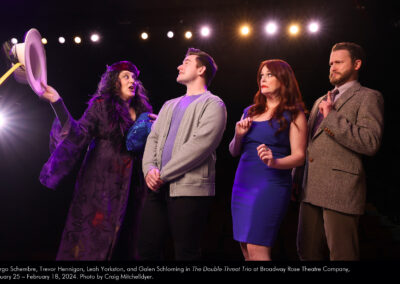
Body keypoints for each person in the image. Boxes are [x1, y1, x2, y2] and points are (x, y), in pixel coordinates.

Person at [38, 61, 155, 260]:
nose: (132, 80)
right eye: (126, 76)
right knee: (91, 244)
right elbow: (78, 134)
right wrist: (58, 103)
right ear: (114, 81)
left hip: (132, 189)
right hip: (100, 187)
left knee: (127, 243)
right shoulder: (101, 106)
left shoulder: (145, 113)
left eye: (134, 77)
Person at [296, 42, 384, 260]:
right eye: (330, 63)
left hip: (341, 192)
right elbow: (309, 145)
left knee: (342, 257)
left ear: (357, 64)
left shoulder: (368, 96)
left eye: (338, 62)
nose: (332, 68)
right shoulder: (320, 100)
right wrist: (297, 178)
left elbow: (370, 142)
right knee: (306, 253)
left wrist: (332, 118)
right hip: (310, 190)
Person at [138, 48, 227, 260]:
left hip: (190, 192)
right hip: (158, 188)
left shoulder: (214, 104)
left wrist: (163, 174)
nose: (179, 66)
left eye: (186, 62)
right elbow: (153, 138)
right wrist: (149, 169)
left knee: (185, 252)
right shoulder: (169, 105)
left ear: (201, 69)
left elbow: (200, 146)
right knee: (147, 249)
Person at [229, 59, 307, 261]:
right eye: (261, 75)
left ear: (283, 79)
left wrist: (275, 162)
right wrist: (239, 135)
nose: (263, 79)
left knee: (258, 249)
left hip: (271, 184)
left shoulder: (294, 113)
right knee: (246, 249)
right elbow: (233, 151)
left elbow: (299, 156)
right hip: (242, 184)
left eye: (269, 75)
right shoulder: (250, 111)